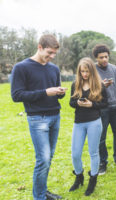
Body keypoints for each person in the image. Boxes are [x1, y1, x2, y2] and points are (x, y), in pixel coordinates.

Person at [11, 34, 65, 200]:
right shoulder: (21, 67)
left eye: (54, 54)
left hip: (55, 116)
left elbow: (55, 93)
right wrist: (45, 92)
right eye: (49, 53)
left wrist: (59, 93)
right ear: (39, 47)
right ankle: (39, 197)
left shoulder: (54, 68)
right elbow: (17, 95)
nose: (52, 57)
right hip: (37, 119)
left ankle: (42, 191)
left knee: (48, 159)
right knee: (43, 159)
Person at [69, 57, 108, 196]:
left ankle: (93, 179)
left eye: (87, 71)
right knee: (75, 154)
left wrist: (92, 104)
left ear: (92, 71)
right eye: (82, 71)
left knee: (94, 152)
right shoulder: (76, 84)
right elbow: (71, 102)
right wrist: (78, 103)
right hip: (79, 123)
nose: (84, 74)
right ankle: (79, 176)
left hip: (94, 122)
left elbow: (105, 103)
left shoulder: (99, 85)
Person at [92, 44, 116, 175]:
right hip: (101, 108)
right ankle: (103, 162)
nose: (104, 59)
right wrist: (101, 85)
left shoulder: (113, 68)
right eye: (101, 57)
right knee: (101, 138)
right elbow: (90, 89)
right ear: (96, 58)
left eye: (106, 56)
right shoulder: (92, 70)